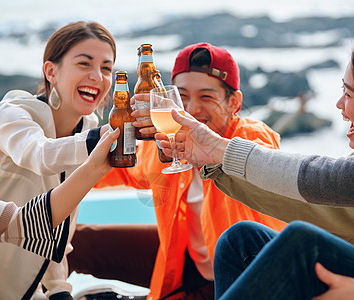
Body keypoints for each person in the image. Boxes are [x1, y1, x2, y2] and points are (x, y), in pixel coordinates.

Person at [156, 0, 354, 298]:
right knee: (241, 238)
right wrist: (216, 151)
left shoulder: (254, 133)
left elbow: (315, 193)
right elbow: (315, 177)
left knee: (301, 242)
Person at [68, 42, 287, 300]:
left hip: (245, 279)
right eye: (181, 97)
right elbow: (114, 170)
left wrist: (205, 147)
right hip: (188, 266)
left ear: (234, 103)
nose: (191, 109)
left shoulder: (250, 136)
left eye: (206, 97)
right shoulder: (165, 143)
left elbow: (264, 158)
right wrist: (46, 162)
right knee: (72, 241)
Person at [196, 39, 354, 271]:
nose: (339, 104)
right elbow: (315, 178)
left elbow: (306, 191)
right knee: (246, 236)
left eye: (349, 94)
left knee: (241, 240)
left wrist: (215, 156)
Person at [0, 21, 115, 300]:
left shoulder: (87, 129)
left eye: (106, 68)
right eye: (85, 64)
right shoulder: (14, 112)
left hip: (23, 284)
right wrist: (102, 140)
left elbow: (60, 222)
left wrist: (59, 288)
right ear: (51, 71)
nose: (98, 76)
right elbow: (40, 155)